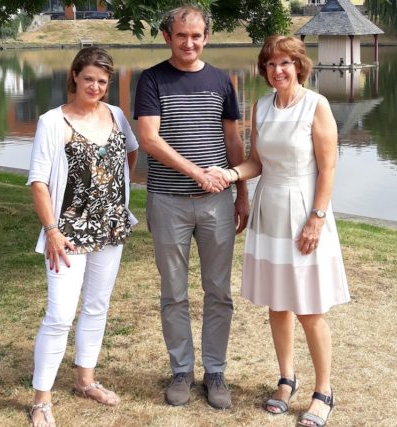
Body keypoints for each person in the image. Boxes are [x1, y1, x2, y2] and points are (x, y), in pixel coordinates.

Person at [209, 35, 350, 426]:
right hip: (269, 208)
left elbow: (329, 168)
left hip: (304, 208)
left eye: (285, 63)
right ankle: (286, 379)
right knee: (278, 302)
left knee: (309, 308)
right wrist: (230, 173)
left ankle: (324, 392)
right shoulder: (263, 106)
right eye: (271, 64)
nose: (278, 70)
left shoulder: (316, 105)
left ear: (299, 65)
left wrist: (317, 219)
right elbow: (256, 161)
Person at [133, 4, 249, 410]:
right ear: (167, 37)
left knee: (219, 291)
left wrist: (243, 193)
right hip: (168, 203)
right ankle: (181, 369)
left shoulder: (221, 80)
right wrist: (198, 172)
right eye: (181, 35)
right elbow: (149, 139)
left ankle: (215, 371)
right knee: (174, 292)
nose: (189, 43)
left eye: (196, 35)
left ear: (206, 37)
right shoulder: (152, 80)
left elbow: (233, 141)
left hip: (218, 202)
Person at [26, 47, 139, 427]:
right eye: (89, 78)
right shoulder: (51, 121)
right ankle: (41, 400)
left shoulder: (118, 116)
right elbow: (38, 182)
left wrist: (112, 198)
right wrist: (52, 230)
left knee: (96, 306)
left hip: (110, 228)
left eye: (103, 81)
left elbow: (129, 156)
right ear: (74, 75)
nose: (95, 86)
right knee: (59, 315)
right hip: (68, 234)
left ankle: (85, 380)